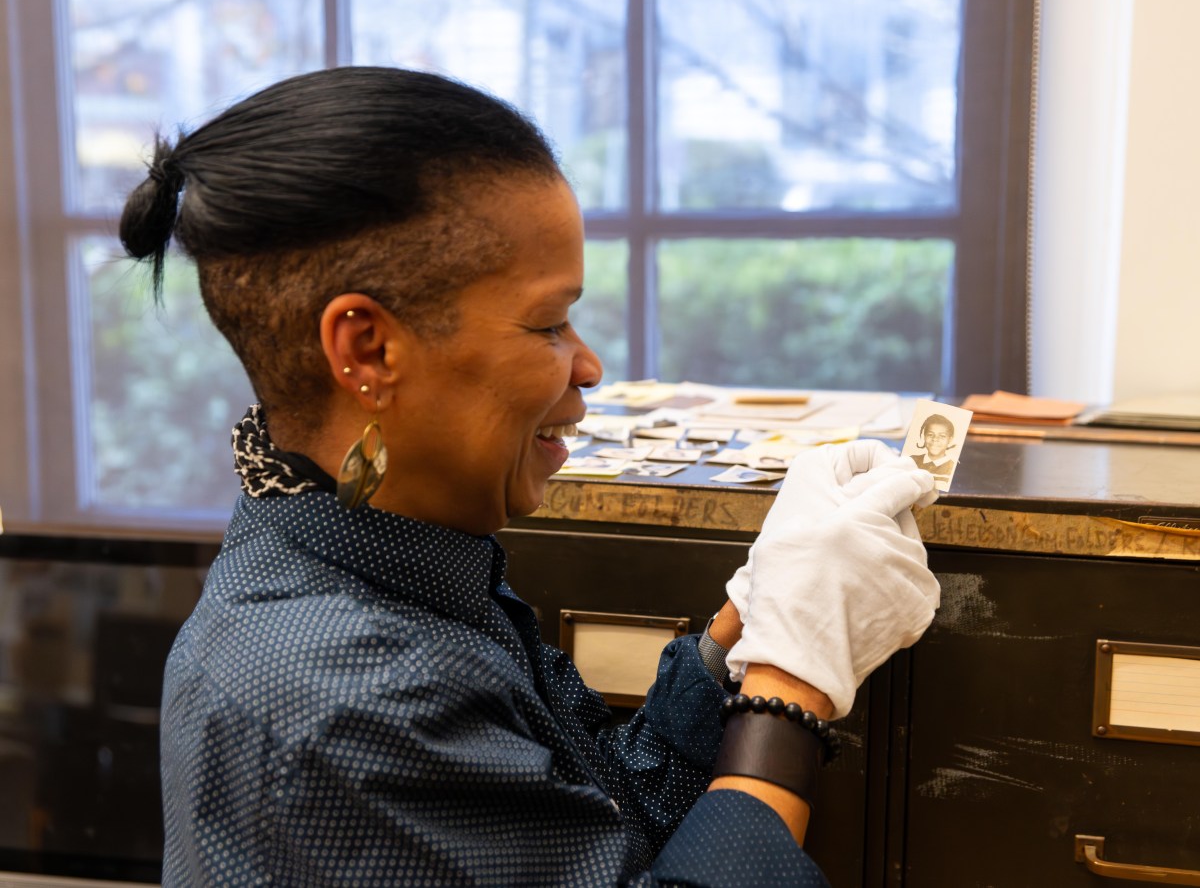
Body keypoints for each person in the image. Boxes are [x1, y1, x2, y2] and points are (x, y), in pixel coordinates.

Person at [120, 66, 940, 887]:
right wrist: (788, 689)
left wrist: (741, 633)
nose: (588, 365)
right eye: (549, 324)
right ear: (368, 349)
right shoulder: (353, 694)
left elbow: (593, 823)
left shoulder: (395, 559)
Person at [909, 414, 957, 485]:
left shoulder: (952, 468)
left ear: (950, 439)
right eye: (930, 434)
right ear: (924, 436)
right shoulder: (911, 461)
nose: (935, 439)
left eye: (942, 436)